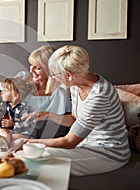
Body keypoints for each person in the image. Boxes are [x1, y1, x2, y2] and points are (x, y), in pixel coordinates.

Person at [26, 45, 130, 176]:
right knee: (33, 156)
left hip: (108, 153)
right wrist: (48, 115)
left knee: (38, 158)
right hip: (86, 145)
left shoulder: (100, 95)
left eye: (53, 74)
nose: (51, 77)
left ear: (69, 75)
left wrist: (27, 142)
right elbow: (75, 120)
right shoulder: (76, 86)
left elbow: (69, 142)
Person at [16, 45, 72, 138]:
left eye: (38, 68)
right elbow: (4, 96)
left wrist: (47, 115)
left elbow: (68, 123)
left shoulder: (59, 93)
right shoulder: (23, 80)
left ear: (50, 70)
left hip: (40, 131)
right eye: (31, 65)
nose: (31, 70)